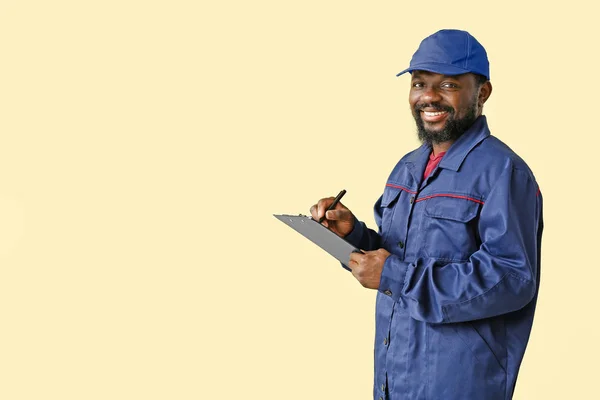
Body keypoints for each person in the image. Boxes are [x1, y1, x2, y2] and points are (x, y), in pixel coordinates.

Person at [310, 29, 543, 400]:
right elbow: (398, 254)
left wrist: (395, 276)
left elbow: (511, 280)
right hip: (393, 376)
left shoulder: (503, 172)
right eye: (419, 83)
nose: (429, 96)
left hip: (457, 382)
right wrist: (352, 235)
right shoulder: (407, 168)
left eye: (448, 84)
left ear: (482, 93)